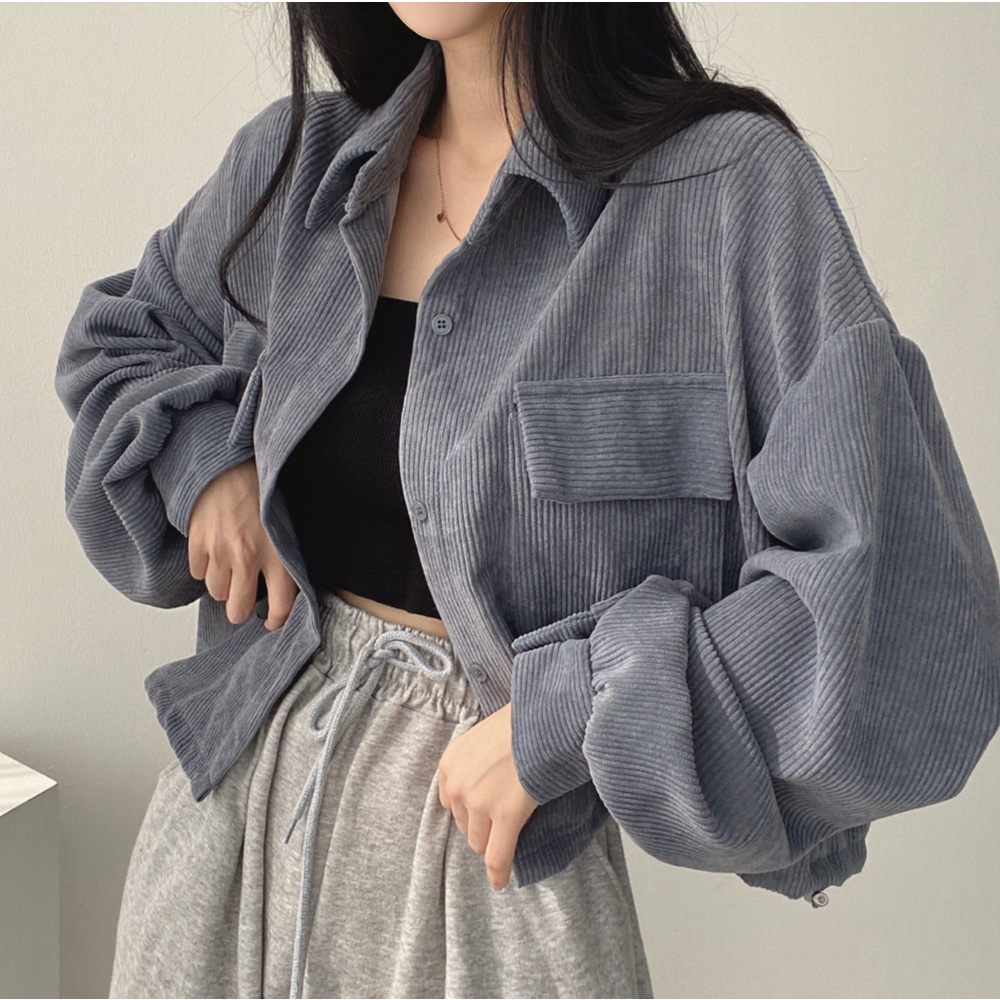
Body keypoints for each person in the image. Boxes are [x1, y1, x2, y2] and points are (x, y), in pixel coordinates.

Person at [54, 4, 1000, 999]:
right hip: (228, 835)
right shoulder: (300, 166)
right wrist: (205, 461)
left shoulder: (728, 190)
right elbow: (122, 340)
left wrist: (570, 707)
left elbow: (904, 612)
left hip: (491, 874)